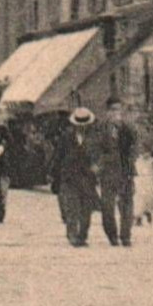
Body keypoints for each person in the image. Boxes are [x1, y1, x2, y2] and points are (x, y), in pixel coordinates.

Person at [52, 108, 103, 247]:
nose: (82, 127)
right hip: (69, 178)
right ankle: (72, 235)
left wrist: (97, 166)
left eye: (85, 124)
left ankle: (82, 236)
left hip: (87, 178)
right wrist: (54, 175)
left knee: (86, 210)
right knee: (72, 208)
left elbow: (99, 156)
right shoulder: (66, 137)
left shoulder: (93, 138)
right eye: (79, 124)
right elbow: (58, 157)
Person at [95, 97, 138, 246]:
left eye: (119, 109)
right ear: (107, 112)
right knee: (107, 205)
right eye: (113, 110)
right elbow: (95, 148)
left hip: (125, 170)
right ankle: (112, 235)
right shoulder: (100, 128)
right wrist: (99, 163)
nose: (116, 113)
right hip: (107, 171)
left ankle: (125, 235)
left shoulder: (128, 128)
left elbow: (135, 147)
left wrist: (131, 161)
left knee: (127, 204)